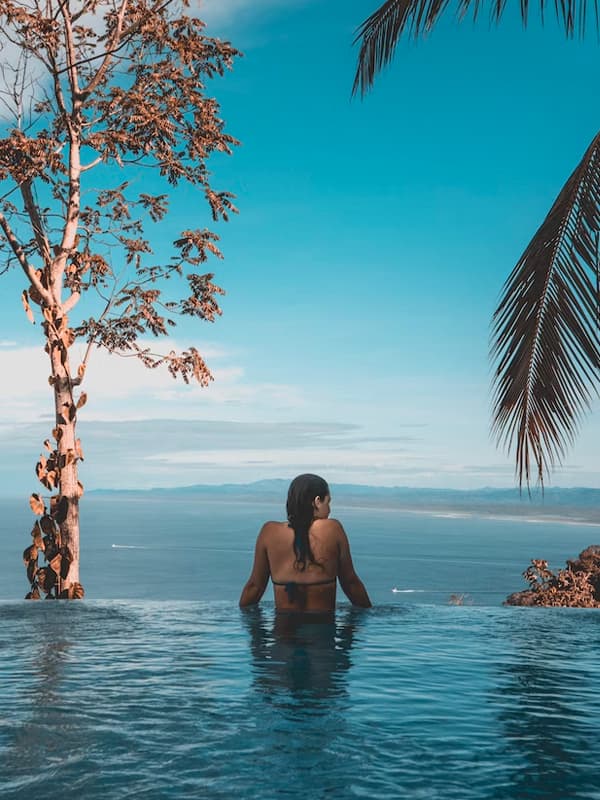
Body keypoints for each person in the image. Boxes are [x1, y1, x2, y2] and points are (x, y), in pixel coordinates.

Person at [239, 474, 371, 612]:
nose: (329, 510)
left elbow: (254, 587)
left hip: (283, 624)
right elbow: (351, 583)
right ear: (317, 501)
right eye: (328, 502)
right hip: (323, 624)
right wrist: (368, 612)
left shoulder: (269, 532)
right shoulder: (332, 528)